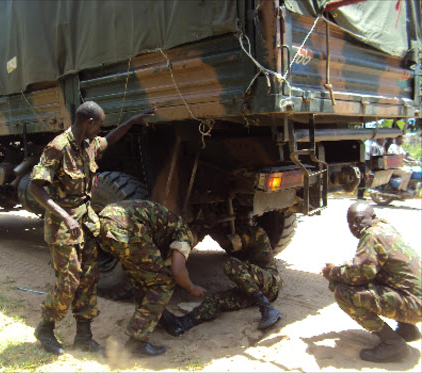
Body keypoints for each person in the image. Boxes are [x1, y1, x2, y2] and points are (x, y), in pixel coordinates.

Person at [30, 101, 155, 355]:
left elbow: (108, 140)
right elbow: (36, 187)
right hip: (63, 226)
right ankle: (45, 328)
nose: (99, 130)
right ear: (88, 123)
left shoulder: (88, 145)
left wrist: (130, 123)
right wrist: (66, 217)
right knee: (69, 280)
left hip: (86, 223)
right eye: (98, 125)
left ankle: (84, 336)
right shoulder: (58, 147)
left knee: (89, 278)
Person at [96, 200, 206, 357]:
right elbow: (178, 270)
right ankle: (137, 342)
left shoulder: (169, 224)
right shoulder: (185, 234)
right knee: (163, 283)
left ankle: (160, 317)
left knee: (142, 279)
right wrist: (191, 287)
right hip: (127, 224)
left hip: (105, 220)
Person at [322, 201, 421, 362]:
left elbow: (360, 274)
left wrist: (333, 272)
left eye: (359, 220)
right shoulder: (385, 227)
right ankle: (408, 329)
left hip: (414, 305)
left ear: (372, 217)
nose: (355, 225)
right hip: (415, 299)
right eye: (350, 222)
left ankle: (393, 344)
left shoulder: (372, 235)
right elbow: (369, 268)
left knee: (344, 293)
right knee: (384, 277)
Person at [166, 211, 283, 336]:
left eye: (245, 218)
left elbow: (227, 243)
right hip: (251, 289)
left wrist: (209, 228)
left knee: (231, 264)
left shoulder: (256, 232)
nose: (243, 221)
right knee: (216, 300)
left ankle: (267, 308)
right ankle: (184, 322)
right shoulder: (243, 233)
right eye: (240, 218)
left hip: (270, 282)